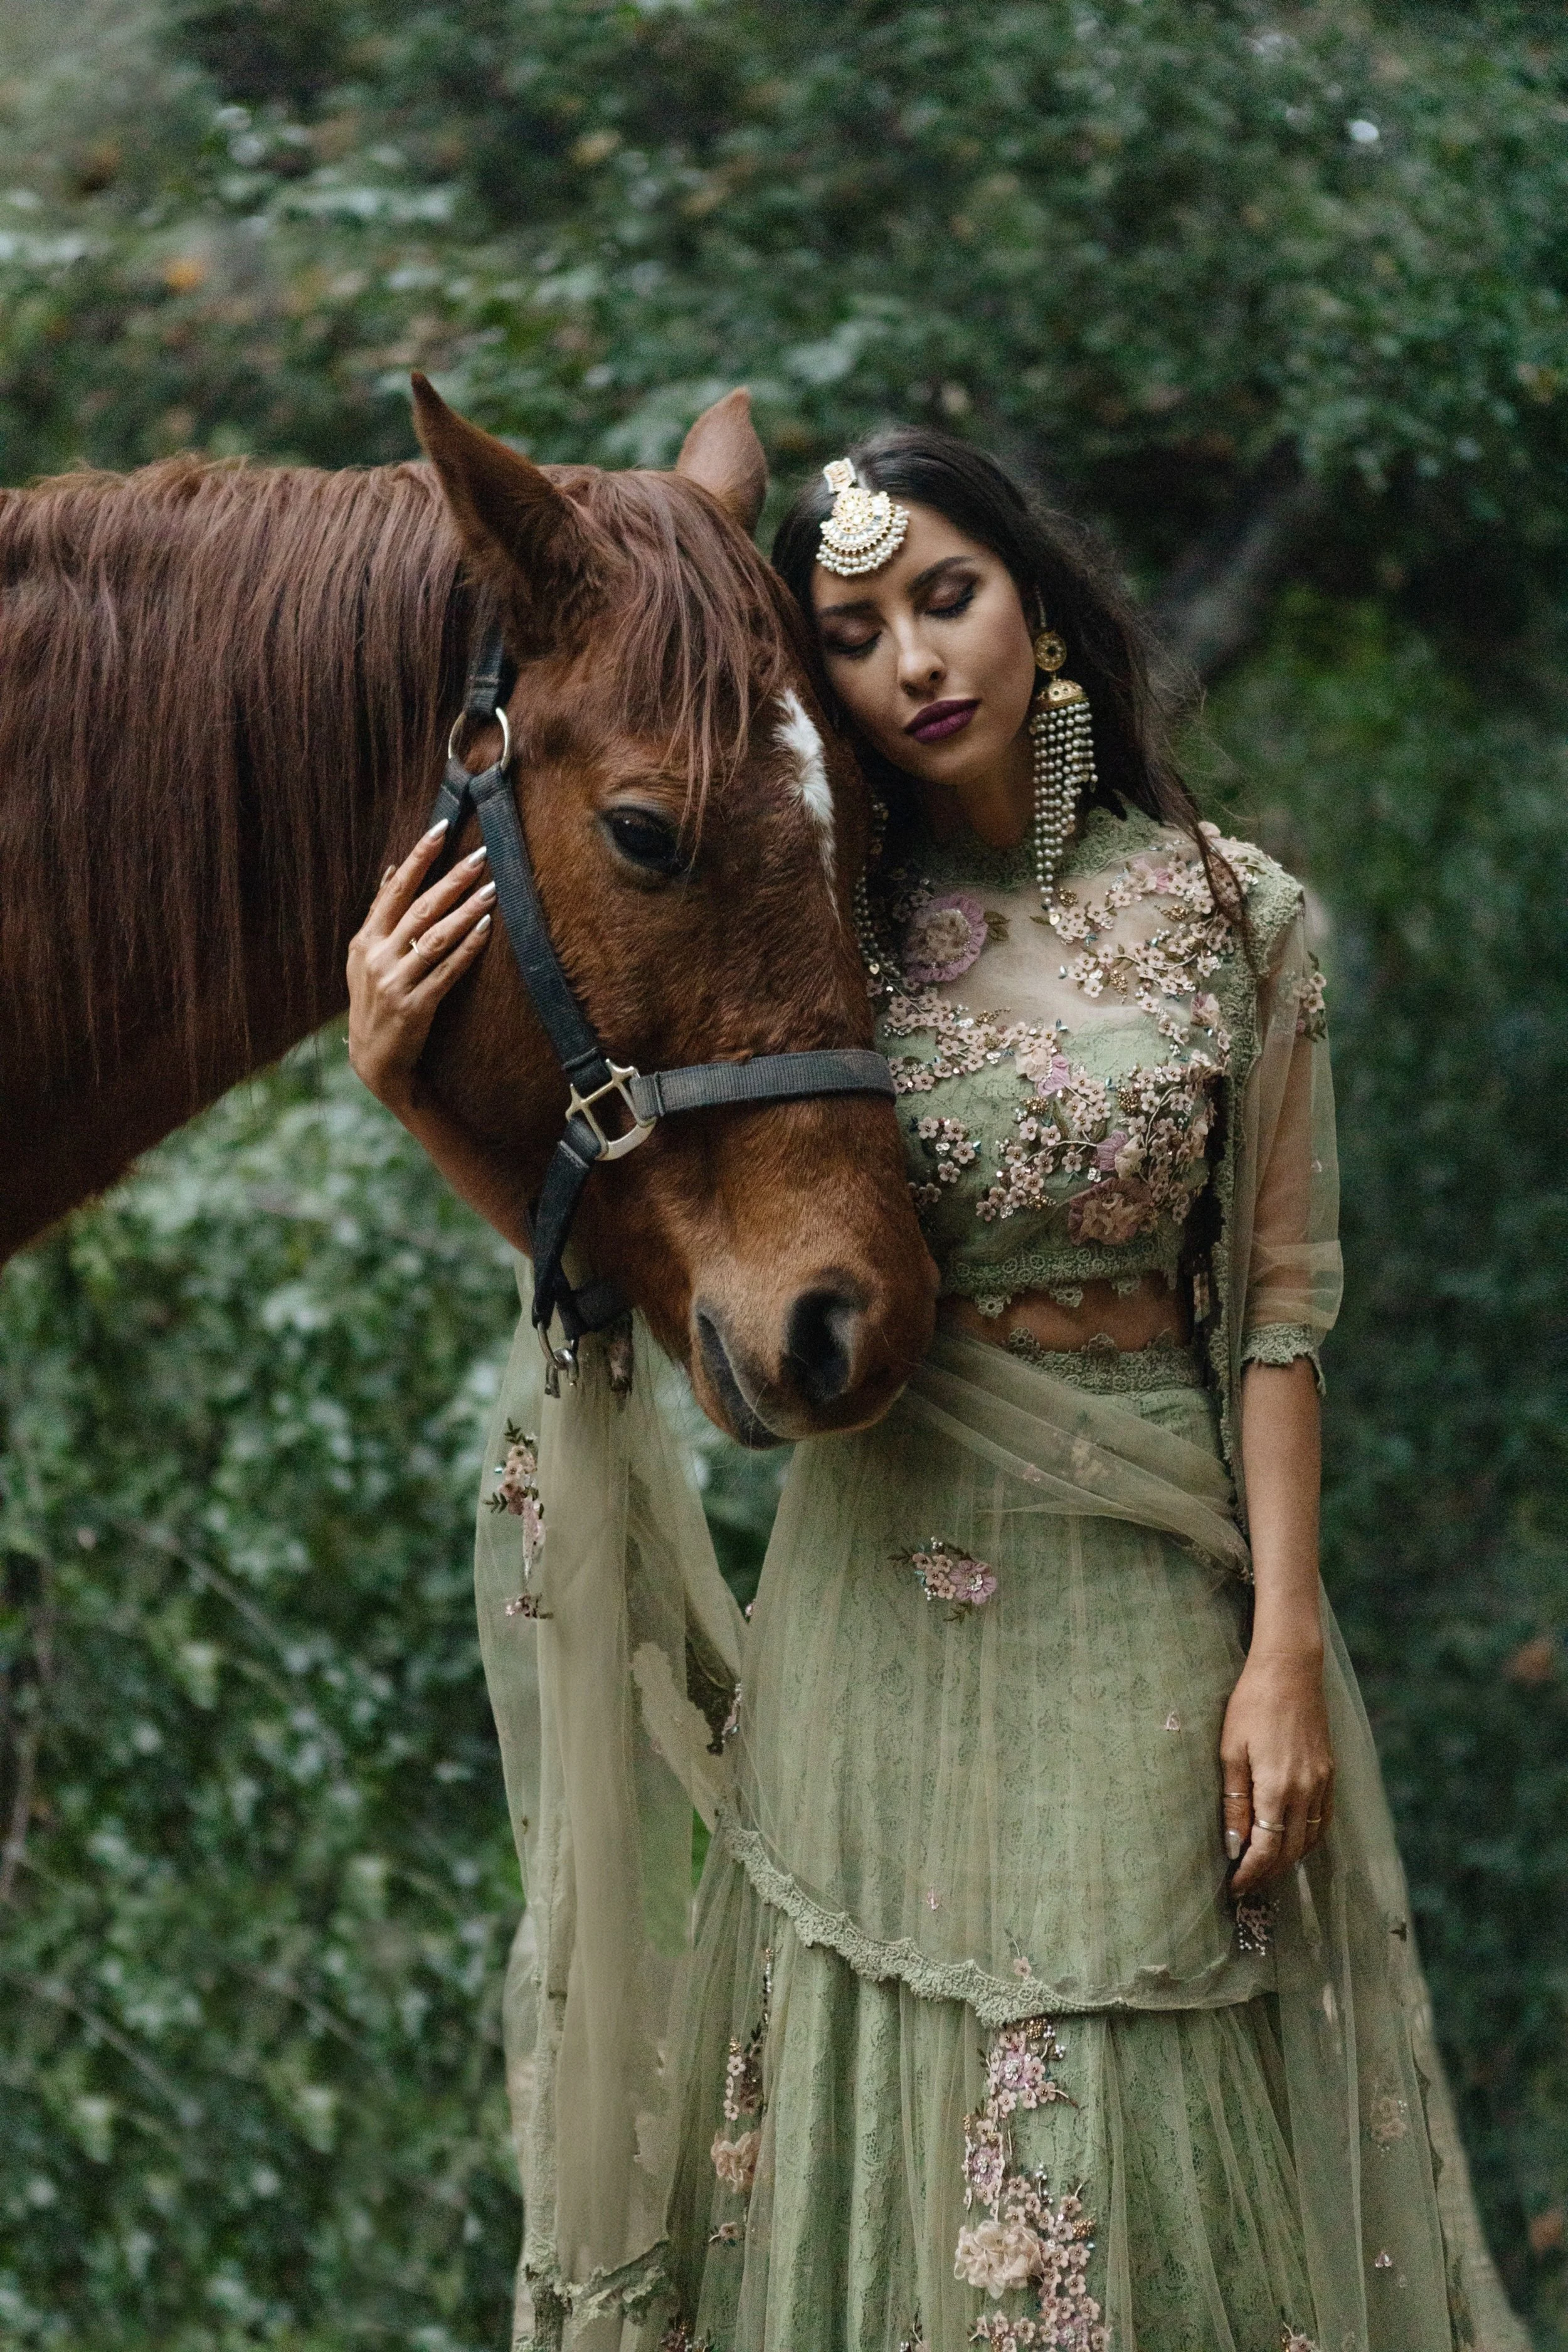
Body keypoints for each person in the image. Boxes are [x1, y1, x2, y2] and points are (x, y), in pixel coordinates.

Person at [347, 431, 1526, 2352]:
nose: (914, 657)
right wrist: (419, 1098)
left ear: (1036, 601)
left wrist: (1282, 1647)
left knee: (1116, 2122)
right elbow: (687, 1292)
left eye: (944, 596)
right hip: (872, 1599)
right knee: (861, 2133)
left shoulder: (1239, 918)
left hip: (1150, 1595)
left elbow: (1281, 1314)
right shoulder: (833, 936)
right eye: (857, 632)